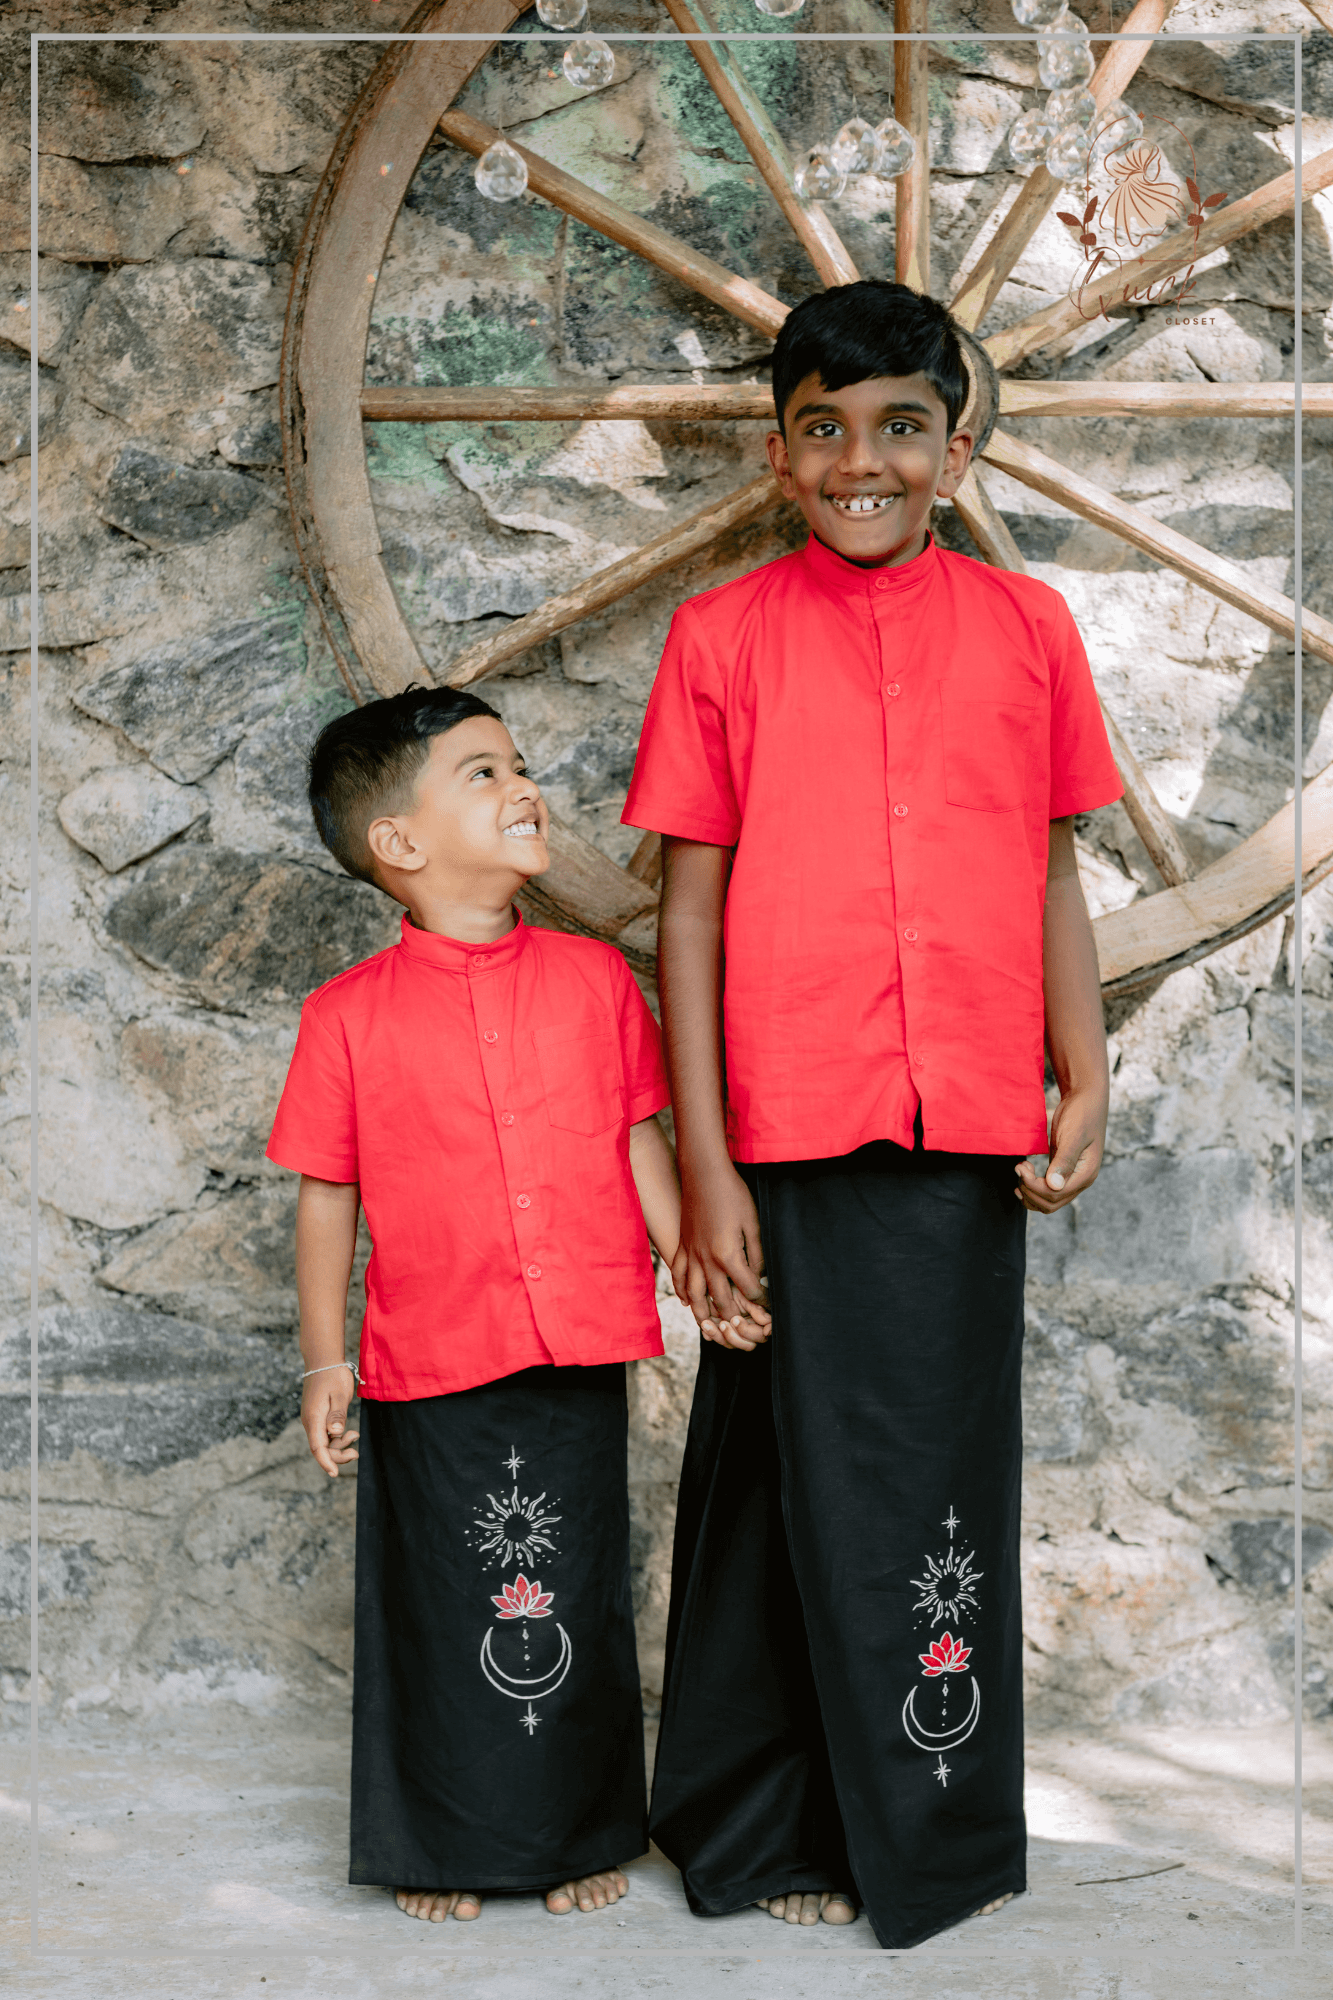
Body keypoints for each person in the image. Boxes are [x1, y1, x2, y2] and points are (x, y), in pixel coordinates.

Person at [621, 280, 1123, 1950]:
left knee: (924, 1464)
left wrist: (1085, 1063)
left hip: (959, 1113)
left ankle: (912, 1813)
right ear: (778, 458)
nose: (862, 461)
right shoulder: (718, 642)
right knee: (766, 1466)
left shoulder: (1026, 631)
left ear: (953, 446)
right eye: (822, 430)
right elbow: (686, 912)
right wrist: (702, 1169)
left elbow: (1047, 861)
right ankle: (748, 1815)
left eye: (898, 425)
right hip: (777, 1116)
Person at [266, 685, 701, 1925]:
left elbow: (637, 1141)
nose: (522, 787)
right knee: (444, 1601)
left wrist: (692, 1267)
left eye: (518, 763)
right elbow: (325, 1198)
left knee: (571, 1591)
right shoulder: (343, 1017)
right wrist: (321, 1360)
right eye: (480, 773)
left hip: (576, 1347)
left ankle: (577, 1829)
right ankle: (442, 1838)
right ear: (396, 844)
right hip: (430, 1356)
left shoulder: (593, 983)